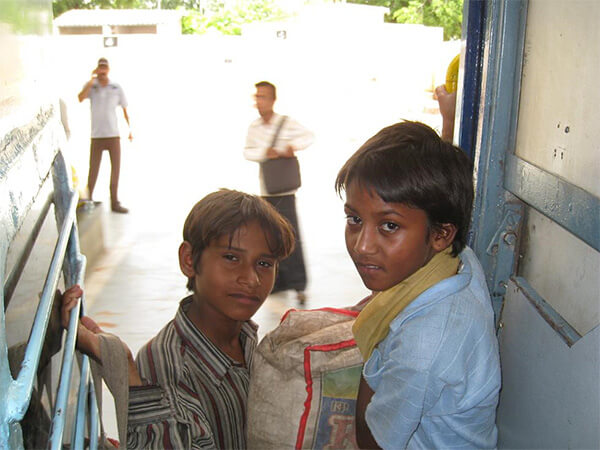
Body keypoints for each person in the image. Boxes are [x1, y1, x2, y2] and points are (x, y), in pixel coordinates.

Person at [61, 189, 296, 448]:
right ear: (188, 260)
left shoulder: (246, 338)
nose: (251, 279)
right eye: (231, 258)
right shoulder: (167, 365)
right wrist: (124, 368)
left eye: (264, 264)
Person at [334, 121, 501, 449]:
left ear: (441, 235)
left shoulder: (423, 344)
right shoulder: (458, 261)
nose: (362, 245)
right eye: (354, 219)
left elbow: (374, 441)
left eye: (389, 225)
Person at [244, 81, 314, 303]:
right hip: (265, 189)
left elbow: (308, 137)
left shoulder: (285, 123)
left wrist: (286, 149)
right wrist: (267, 152)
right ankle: (277, 282)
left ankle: (298, 283)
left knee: (291, 235)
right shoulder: (254, 128)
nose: (259, 101)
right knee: (270, 238)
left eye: (263, 97)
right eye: (257, 97)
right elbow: (248, 152)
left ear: (273, 100)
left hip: (284, 190)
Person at [78, 57, 132, 213]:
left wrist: (130, 130)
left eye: (104, 67)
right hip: (96, 135)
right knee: (93, 168)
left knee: (116, 169)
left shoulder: (115, 87)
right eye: (99, 67)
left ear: (108, 69)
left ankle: (115, 202)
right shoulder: (92, 87)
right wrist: (91, 80)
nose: (102, 70)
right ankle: (88, 199)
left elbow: (124, 109)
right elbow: (80, 98)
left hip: (113, 134)